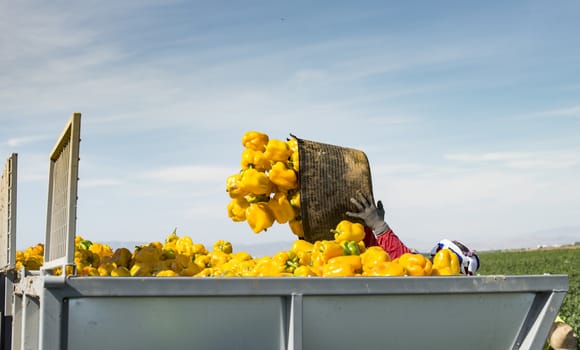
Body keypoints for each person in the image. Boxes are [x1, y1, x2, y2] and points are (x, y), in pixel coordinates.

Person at [346, 191, 480, 275]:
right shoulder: (427, 271)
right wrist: (367, 227)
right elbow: (378, 255)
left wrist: (379, 226)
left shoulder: (422, 271)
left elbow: (399, 257)